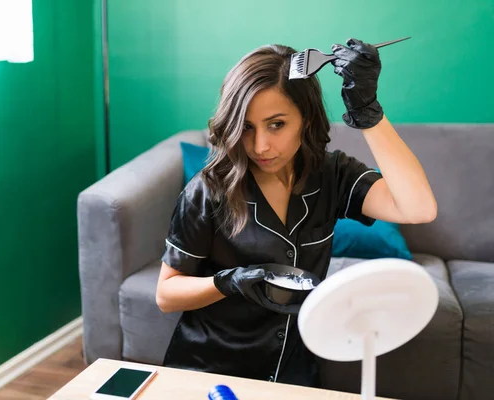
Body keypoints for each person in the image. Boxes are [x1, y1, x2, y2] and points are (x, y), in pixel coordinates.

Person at [155, 39, 437, 387]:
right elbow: (166, 295)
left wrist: (368, 113)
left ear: (305, 118)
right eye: (246, 127)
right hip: (208, 373)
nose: (260, 146)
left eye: (276, 124)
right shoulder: (208, 189)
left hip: (292, 375)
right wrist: (230, 282)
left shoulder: (332, 174)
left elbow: (419, 208)